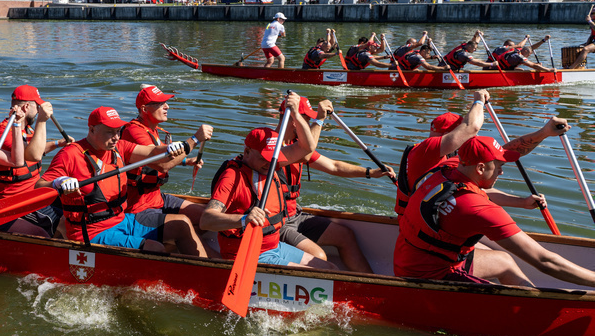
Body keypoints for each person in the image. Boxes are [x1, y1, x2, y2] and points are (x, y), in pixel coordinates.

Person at [395, 135, 595, 288]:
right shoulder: (478, 210)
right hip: (429, 276)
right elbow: (545, 261)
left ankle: (529, 304)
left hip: (408, 255)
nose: (502, 171)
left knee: (504, 261)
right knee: (506, 294)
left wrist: (544, 132)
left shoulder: (447, 168)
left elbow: (480, 186)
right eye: (499, 166)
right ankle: (530, 314)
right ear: (481, 168)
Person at [36, 106, 209, 256]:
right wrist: (58, 183)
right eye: (109, 132)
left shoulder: (119, 147)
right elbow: (39, 188)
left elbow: (153, 152)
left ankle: (208, 273)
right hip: (90, 231)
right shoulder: (70, 154)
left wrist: (170, 148)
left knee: (182, 224)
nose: (116, 137)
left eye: (118, 131)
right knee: (154, 248)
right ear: (92, 129)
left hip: (121, 220)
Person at [200, 93, 337, 269]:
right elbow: (207, 220)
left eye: (272, 157)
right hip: (248, 252)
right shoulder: (232, 177)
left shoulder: (272, 163)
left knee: (330, 268)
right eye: (264, 157)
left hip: (273, 246)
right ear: (247, 152)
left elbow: (307, 147)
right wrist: (243, 219)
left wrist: (296, 113)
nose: (270, 162)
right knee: (321, 276)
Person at [275, 96, 394, 273]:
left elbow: (333, 166)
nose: (309, 125)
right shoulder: (271, 146)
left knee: (345, 235)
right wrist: (320, 120)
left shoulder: (295, 145)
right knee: (319, 257)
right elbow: (307, 154)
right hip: (278, 224)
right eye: (307, 119)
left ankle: (370, 284)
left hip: (295, 215)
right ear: (294, 120)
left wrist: (370, 173)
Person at [120, 85, 216, 256]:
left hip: (157, 198)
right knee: (184, 224)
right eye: (160, 103)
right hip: (138, 207)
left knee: (206, 218)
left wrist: (187, 161)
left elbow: (154, 160)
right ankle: (208, 263)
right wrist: (195, 139)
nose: (167, 107)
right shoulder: (134, 132)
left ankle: (176, 244)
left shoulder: (153, 130)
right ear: (144, 109)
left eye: (166, 102)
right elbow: (162, 165)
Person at [0, 85, 72, 236]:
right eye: (37, 106)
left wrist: (57, 144)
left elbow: (34, 149)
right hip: (14, 202)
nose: (39, 110)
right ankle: (62, 255)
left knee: (73, 210)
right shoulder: (3, 133)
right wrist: (42, 121)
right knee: (62, 222)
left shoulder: (28, 129)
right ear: (27, 107)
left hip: (33, 195)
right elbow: (32, 156)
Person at [394, 90, 489, 216]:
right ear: (447, 135)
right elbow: (472, 128)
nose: (465, 139)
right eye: (462, 135)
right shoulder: (427, 150)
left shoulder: (443, 154)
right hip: (416, 219)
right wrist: (478, 101)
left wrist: (521, 202)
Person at [568, 5, 595, 69]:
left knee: (586, 49)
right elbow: (592, 35)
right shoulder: (593, 22)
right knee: (578, 48)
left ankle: (572, 68)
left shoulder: (592, 22)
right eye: (591, 13)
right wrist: (587, 43)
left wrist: (589, 21)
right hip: (593, 42)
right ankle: (580, 67)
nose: (591, 15)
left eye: (593, 13)